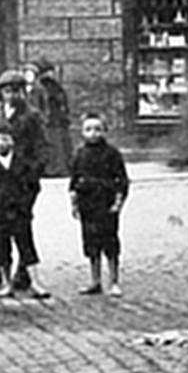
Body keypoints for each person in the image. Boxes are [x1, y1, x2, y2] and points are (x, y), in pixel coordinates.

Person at [0, 69, 48, 290]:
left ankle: (24, 272)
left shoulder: (32, 116)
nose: (12, 95)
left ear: (23, 92)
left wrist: (32, 173)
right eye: (7, 91)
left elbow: (41, 148)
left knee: (21, 225)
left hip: (21, 178)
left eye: (16, 91)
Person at [69, 113, 130, 297]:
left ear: (104, 131)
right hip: (87, 204)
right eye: (88, 129)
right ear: (82, 132)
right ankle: (95, 281)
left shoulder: (112, 154)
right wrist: (74, 203)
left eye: (97, 129)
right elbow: (73, 180)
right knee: (91, 243)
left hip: (106, 202)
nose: (93, 133)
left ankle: (114, 282)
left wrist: (118, 201)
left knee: (109, 242)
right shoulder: (79, 154)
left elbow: (122, 180)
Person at [29, 59, 74, 178]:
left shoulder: (52, 86)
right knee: (51, 143)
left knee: (58, 143)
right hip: (49, 120)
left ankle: (59, 168)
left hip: (56, 119)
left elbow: (61, 101)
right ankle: (52, 168)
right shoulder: (40, 87)